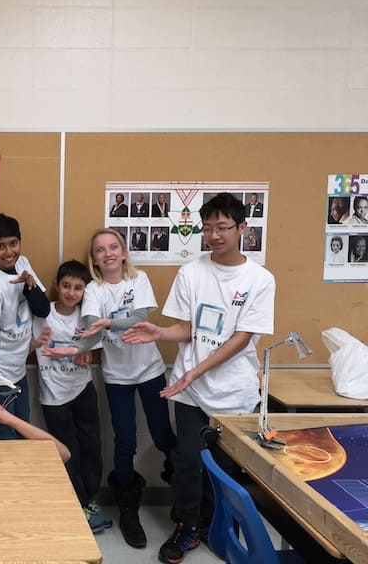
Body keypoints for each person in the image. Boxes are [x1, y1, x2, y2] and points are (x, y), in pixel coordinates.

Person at [122, 192, 275, 564]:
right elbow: (187, 328)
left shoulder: (260, 279)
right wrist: (160, 333)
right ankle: (188, 525)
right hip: (190, 391)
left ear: (242, 228)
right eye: (207, 228)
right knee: (188, 461)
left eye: (222, 227)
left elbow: (242, 338)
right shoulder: (191, 272)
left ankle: (219, 524)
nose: (214, 236)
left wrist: (195, 370)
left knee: (224, 468)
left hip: (233, 391)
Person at [42, 231, 176, 549]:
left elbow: (140, 318)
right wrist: (76, 349)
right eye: (100, 250)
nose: (108, 254)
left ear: (124, 252)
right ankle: (128, 509)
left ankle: (186, 492)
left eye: (114, 247)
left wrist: (107, 324)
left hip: (150, 371)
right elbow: (90, 325)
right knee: (125, 441)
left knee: (162, 436)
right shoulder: (93, 289)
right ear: (95, 259)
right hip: (117, 377)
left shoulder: (138, 280)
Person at [31, 260, 112, 534]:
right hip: (54, 396)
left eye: (78, 288)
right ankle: (77, 502)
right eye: (66, 286)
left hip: (82, 389)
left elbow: (96, 342)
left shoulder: (87, 316)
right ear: (56, 285)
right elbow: (26, 341)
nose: (71, 292)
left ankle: (90, 499)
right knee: (68, 452)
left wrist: (87, 351)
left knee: (91, 446)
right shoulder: (42, 314)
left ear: (85, 291)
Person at [0, 213, 49, 437]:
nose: (9, 252)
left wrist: (30, 287)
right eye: (0, 246)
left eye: (13, 243)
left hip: (19, 371)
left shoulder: (23, 263)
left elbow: (43, 309)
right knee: (6, 442)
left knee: (24, 434)